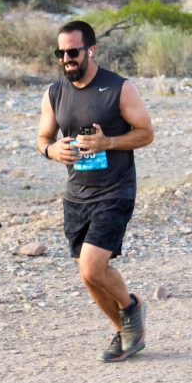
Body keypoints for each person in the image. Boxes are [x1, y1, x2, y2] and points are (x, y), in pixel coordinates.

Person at [37, 20, 154, 362]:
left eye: (73, 52)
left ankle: (131, 307)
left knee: (92, 268)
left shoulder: (119, 88)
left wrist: (109, 142)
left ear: (90, 50)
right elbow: (43, 137)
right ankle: (124, 332)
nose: (66, 59)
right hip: (76, 195)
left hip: (115, 191)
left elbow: (146, 134)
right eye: (61, 53)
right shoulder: (54, 93)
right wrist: (51, 151)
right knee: (89, 278)